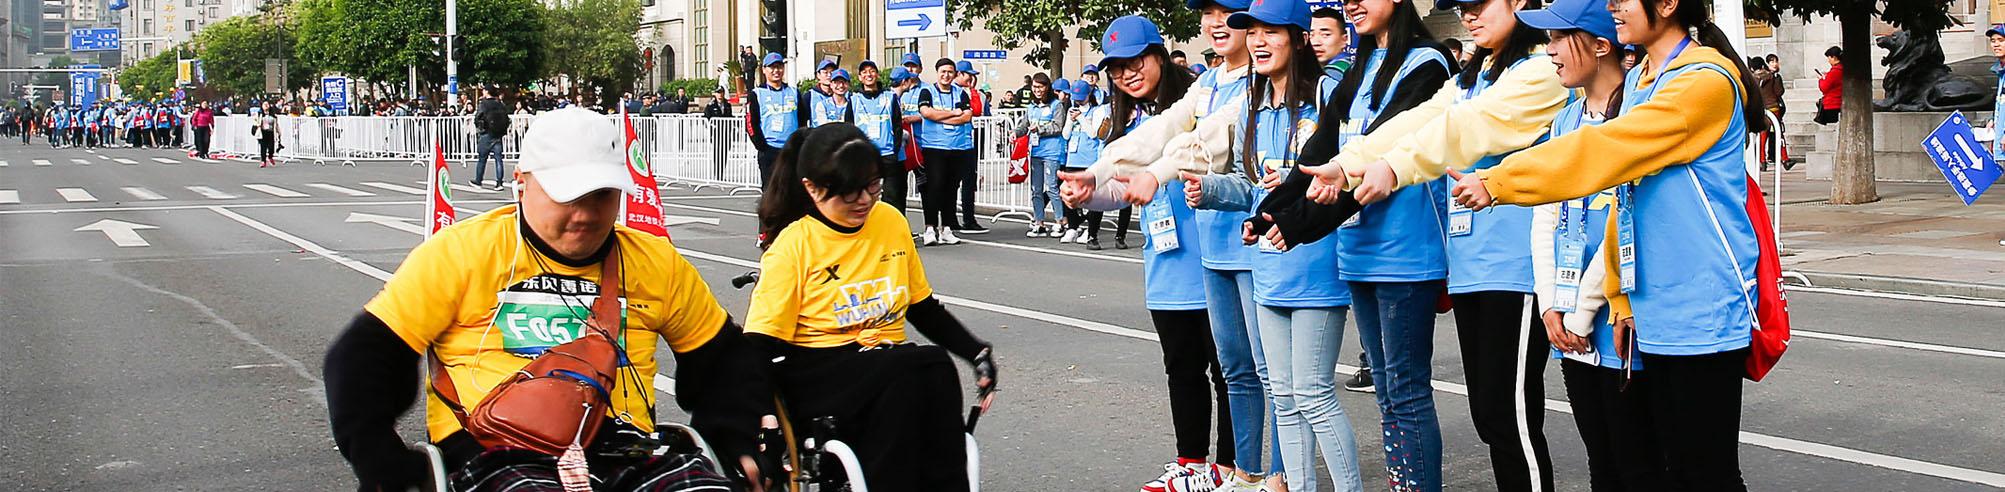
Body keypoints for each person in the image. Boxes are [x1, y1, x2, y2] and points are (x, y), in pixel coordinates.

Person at [324, 107, 778, 492]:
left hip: (628, 450)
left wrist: (729, 439)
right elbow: (363, 359)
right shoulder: (461, 254)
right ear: (521, 182)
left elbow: (724, 361)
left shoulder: (655, 262)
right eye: (567, 196)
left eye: (601, 195)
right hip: (494, 452)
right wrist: (382, 463)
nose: (585, 213)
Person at [1446, 0, 1770, 487]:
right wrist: (1619, 298)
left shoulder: (1703, 81)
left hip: (1701, 308)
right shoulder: (1642, 83)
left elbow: (1608, 150)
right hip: (1652, 311)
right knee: (1663, 470)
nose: (1613, 6)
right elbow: (1626, 204)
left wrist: (1500, 180)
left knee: (1705, 475)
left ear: (1666, 4)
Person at [1290, 0, 1567, 487]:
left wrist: (1393, 168)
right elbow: (1419, 119)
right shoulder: (1474, 73)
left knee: (1511, 420)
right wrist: (1349, 162)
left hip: (1516, 267)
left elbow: (1466, 126)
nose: (1469, 17)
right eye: (1462, 8)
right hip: (1470, 267)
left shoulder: (1540, 69)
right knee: (1488, 416)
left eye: (1480, 5)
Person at [1061, 4, 1273, 490]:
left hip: (1225, 252)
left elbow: (1199, 143)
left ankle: (1240, 469)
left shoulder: (1242, 86)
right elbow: (1135, 166)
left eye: (1137, 62)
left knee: (1238, 372)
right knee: (1186, 367)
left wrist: (1153, 173)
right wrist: (1089, 183)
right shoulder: (1191, 95)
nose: (1128, 74)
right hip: (1169, 260)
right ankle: (1197, 464)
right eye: (1117, 68)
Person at [746, 122, 997, 492]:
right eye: (849, 193)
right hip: (820, 368)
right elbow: (757, 347)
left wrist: (976, 353)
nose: (864, 200)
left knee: (930, 371)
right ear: (813, 189)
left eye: (873, 187)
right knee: (915, 367)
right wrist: (765, 425)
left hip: (886, 362)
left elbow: (922, 307)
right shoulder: (794, 246)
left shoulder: (890, 222)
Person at [1198, 2, 1370, 490]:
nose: (1257, 41)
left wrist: (1301, 185)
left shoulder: (1327, 94)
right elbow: (1253, 186)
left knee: (1315, 394)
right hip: (1267, 267)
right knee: (1283, 394)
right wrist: (1210, 189)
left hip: (1317, 263)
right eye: (1251, 31)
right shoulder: (1254, 105)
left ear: (1298, 38)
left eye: (1270, 31)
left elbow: (1354, 171)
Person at [1516, 0, 1669, 488]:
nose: (1551, 52)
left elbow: (1629, 223)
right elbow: (1545, 215)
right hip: (1567, 322)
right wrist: (1550, 308)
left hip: (1618, 320)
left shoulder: (1640, 113)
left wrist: (1580, 311)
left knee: (1638, 463)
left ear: (1602, 45)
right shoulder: (1564, 121)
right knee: (1600, 461)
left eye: (1560, 39)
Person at [915, 58, 975, 246]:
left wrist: (941, 117)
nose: (946, 75)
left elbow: (967, 116)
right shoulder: (928, 91)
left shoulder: (960, 93)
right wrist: (953, 113)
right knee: (934, 187)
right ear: (937, 72)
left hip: (957, 147)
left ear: (955, 74)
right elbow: (927, 113)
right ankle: (930, 228)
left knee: (951, 188)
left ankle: (947, 228)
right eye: (943, 72)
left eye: (950, 72)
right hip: (934, 146)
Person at [851, 60, 910, 212]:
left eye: (872, 71)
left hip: (887, 154)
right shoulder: (854, 100)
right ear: (859, 77)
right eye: (864, 72)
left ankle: (894, 231)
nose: (868, 74)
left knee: (893, 197)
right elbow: (849, 128)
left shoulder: (889, 98)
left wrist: (895, 150)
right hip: (864, 156)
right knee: (863, 196)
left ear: (877, 74)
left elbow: (897, 126)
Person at [745, 53, 809, 189]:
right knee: (771, 191)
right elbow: (751, 123)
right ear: (764, 69)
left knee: (793, 190)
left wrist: (798, 142)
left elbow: (802, 120)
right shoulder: (756, 94)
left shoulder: (793, 92)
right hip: (769, 149)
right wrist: (762, 146)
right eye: (772, 68)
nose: (776, 71)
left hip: (791, 149)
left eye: (779, 67)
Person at [1020, 73, 1071, 237]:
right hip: (1035, 152)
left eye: (1040, 86)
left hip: (1052, 152)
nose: (1037, 90)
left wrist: (1039, 130)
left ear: (1047, 87)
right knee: (1036, 189)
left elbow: (1058, 127)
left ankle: (1060, 221)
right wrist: (1014, 132)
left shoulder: (1057, 105)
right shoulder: (1031, 107)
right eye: (1034, 87)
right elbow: (1023, 125)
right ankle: (1039, 222)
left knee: (1051, 188)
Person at [951, 60, 992, 235]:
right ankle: (950, 220)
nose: (971, 79)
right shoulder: (952, 92)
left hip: (967, 141)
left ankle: (968, 219)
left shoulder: (973, 93)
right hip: (951, 142)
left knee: (969, 180)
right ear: (959, 74)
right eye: (969, 75)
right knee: (952, 183)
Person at [473, 88, 512, 190]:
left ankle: (478, 180)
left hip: (487, 133)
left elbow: (478, 117)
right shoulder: (500, 104)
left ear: (487, 92)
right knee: (498, 159)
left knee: (482, 158)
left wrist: (479, 126)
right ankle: (499, 182)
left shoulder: (484, 104)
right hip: (498, 134)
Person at [1311, 7, 1354, 80]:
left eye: (1325, 34)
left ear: (1344, 40)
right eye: (1311, 35)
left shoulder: (1335, 75)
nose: (1315, 42)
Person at [1815, 46, 1842, 125]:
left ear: (1833, 58)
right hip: (1838, 102)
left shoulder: (1835, 71)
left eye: (1829, 58)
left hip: (1832, 104)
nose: (1828, 60)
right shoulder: (1841, 69)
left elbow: (1824, 87)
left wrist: (1821, 79)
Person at [257, 102, 281, 167]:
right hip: (262, 132)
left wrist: (279, 132)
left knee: (271, 146)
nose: (266, 105)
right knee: (263, 147)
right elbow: (256, 122)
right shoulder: (260, 114)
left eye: (267, 104)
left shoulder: (273, 115)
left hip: (271, 132)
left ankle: (270, 157)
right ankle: (263, 161)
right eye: (264, 104)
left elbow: (276, 124)